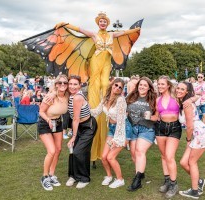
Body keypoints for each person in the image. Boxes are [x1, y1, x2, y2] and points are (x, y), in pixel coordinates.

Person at [55, 12, 141, 163]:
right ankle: (96, 103)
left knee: (104, 83)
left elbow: (125, 32)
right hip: (96, 59)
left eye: (104, 21)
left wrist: (135, 30)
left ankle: (105, 100)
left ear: (107, 23)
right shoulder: (94, 35)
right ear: (98, 23)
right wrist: (65, 24)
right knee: (95, 82)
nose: (102, 23)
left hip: (107, 61)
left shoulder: (112, 35)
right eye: (100, 21)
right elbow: (79, 29)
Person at [90, 78, 129, 188]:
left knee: (111, 157)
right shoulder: (105, 98)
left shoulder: (121, 100)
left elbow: (121, 121)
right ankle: (109, 176)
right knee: (103, 157)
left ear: (122, 90)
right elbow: (96, 112)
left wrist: (117, 139)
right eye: (116, 85)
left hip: (121, 130)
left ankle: (120, 179)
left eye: (120, 87)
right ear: (112, 84)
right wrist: (84, 107)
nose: (117, 88)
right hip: (112, 129)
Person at [176, 81, 205, 199]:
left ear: (187, 91)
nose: (179, 90)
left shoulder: (187, 104)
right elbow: (198, 94)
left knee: (192, 162)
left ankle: (194, 191)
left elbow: (190, 126)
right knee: (183, 162)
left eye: (182, 89)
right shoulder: (185, 102)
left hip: (200, 133)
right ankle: (199, 181)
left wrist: (188, 140)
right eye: (178, 88)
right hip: (198, 133)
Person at [152, 76, 181, 198]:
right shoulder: (157, 99)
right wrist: (143, 116)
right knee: (164, 156)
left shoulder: (177, 98)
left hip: (174, 128)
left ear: (168, 85)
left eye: (162, 84)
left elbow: (192, 97)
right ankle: (167, 181)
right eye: (158, 84)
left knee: (169, 156)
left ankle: (174, 184)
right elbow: (156, 116)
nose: (160, 86)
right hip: (160, 127)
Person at [38, 74, 69, 191]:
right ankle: (44, 177)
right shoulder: (50, 96)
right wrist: (48, 120)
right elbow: (41, 111)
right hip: (45, 123)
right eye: (60, 83)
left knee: (58, 150)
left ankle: (51, 174)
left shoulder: (66, 95)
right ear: (56, 84)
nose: (62, 85)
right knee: (51, 151)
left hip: (58, 123)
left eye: (65, 83)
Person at [125, 77, 157, 191]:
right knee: (133, 154)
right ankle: (141, 172)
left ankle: (137, 180)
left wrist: (148, 116)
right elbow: (125, 111)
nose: (142, 87)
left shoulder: (153, 99)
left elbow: (157, 117)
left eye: (145, 85)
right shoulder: (130, 97)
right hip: (133, 128)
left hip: (146, 128)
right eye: (140, 85)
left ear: (149, 88)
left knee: (139, 151)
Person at [66, 75, 97, 189]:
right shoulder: (70, 95)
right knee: (73, 150)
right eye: (70, 84)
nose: (72, 86)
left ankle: (84, 178)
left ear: (80, 85)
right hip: (79, 126)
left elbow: (76, 118)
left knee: (79, 151)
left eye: (75, 84)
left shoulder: (77, 97)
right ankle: (73, 176)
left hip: (88, 126)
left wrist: (73, 136)